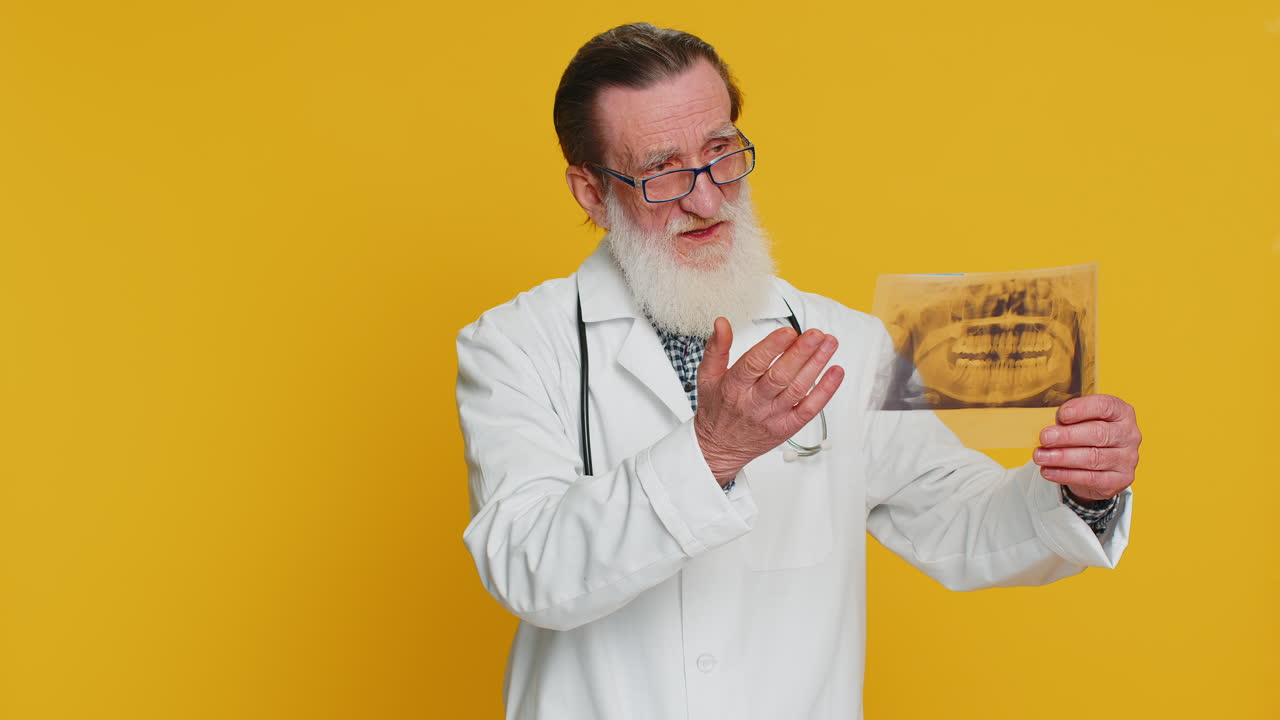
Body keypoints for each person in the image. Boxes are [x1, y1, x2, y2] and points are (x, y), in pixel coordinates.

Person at [456, 23, 1141, 720]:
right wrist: (711, 452)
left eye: (721, 153)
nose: (706, 198)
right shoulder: (513, 346)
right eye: (663, 171)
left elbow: (959, 523)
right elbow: (529, 570)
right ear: (592, 192)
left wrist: (1081, 491)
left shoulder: (845, 340)